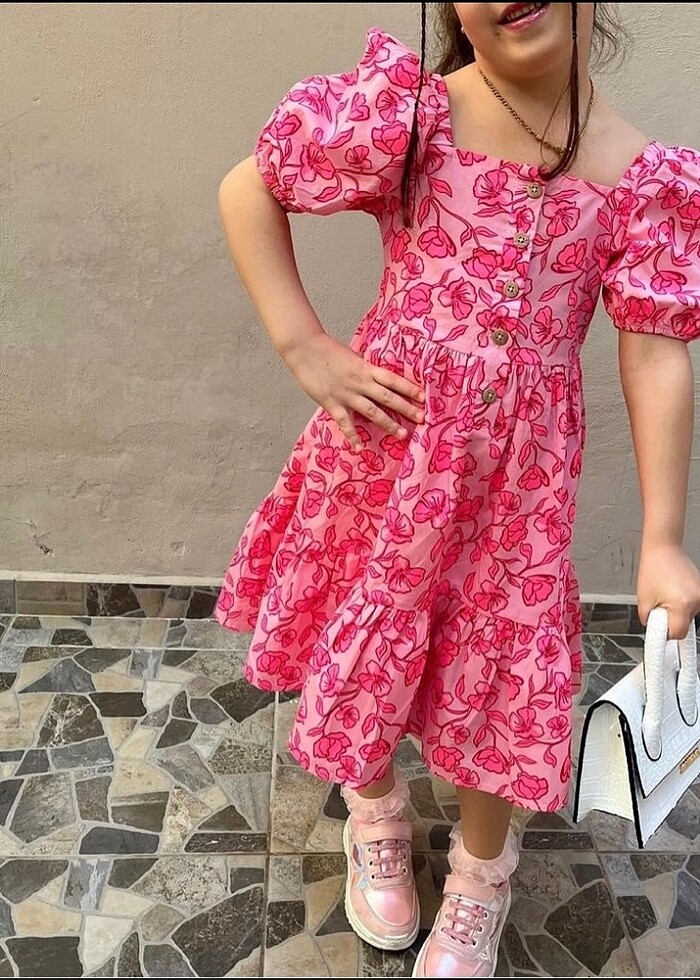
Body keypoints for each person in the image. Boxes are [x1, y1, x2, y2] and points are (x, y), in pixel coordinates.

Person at [215, 3, 700, 976]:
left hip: (517, 493)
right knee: (363, 630)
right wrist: (304, 343)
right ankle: (375, 811)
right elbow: (249, 186)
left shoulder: (642, 177)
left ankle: (483, 872)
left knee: (499, 669)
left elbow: (654, 354)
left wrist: (661, 535)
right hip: (382, 460)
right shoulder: (410, 117)